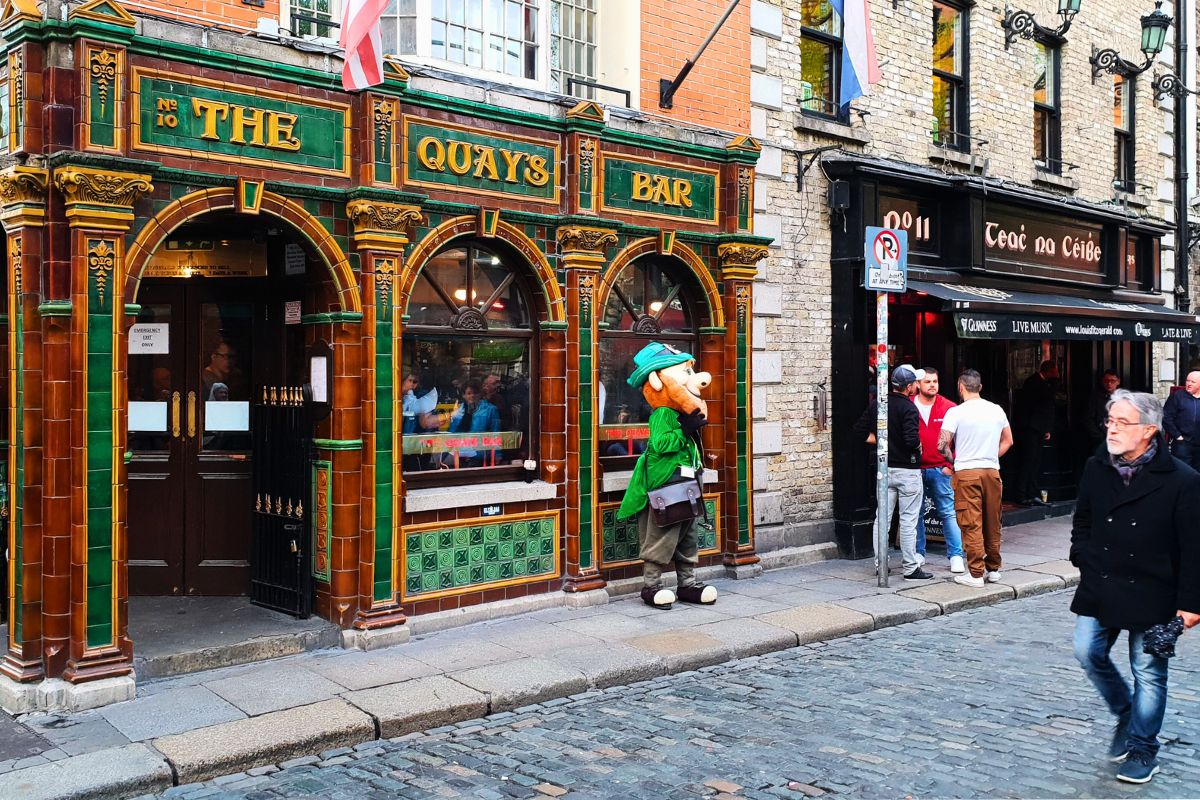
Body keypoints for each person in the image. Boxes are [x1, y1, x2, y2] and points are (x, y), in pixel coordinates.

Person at [1070, 390, 1200, 784]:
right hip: (1102, 581)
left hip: (1153, 588)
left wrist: (1191, 602)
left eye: (1122, 423)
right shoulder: (1098, 465)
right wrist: (1083, 555)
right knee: (1086, 650)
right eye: (1110, 421)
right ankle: (1127, 713)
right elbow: (1083, 519)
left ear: (1149, 430)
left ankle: (1143, 748)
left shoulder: (1183, 479)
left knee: (1148, 671)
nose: (1112, 429)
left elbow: (1194, 547)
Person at [617, 342, 718, 609]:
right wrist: (684, 429)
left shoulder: (679, 411)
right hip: (667, 486)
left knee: (688, 536)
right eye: (682, 373)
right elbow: (660, 445)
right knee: (662, 535)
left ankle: (688, 584)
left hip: (686, 485)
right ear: (659, 381)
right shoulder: (662, 413)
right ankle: (651, 586)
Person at [853, 364, 932, 581]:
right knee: (908, 520)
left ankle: (881, 565)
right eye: (915, 382)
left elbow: (859, 431)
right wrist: (918, 447)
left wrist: (882, 443)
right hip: (907, 471)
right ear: (908, 387)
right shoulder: (909, 408)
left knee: (882, 519)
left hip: (884, 469)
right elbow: (911, 440)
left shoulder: (878, 404)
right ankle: (910, 567)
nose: (917, 385)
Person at [938, 369, 1013, 588]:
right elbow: (1008, 441)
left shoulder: (956, 411)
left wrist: (953, 461)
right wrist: (990, 455)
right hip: (991, 470)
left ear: (960, 387)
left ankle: (975, 573)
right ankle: (993, 569)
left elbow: (942, 445)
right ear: (980, 387)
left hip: (966, 472)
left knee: (971, 522)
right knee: (992, 520)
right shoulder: (996, 410)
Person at [914, 367, 966, 573]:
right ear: (918, 384)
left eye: (935, 381)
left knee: (947, 512)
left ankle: (956, 555)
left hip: (940, 468)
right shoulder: (909, 406)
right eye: (927, 382)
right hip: (915, 469)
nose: (932, 385)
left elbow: (961, 440)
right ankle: (918, 553)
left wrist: (950, 466)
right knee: (915, 514)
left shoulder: (949, 407)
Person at [1012, 359, 1058, 505]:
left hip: (1037, 428)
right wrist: (1045, 428)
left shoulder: (1038, 382)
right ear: (1049, 371)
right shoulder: (1035, 383)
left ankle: (1031, 492)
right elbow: (1042, 406)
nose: (1057, 373)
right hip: (1031, 429)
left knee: (1034, 462)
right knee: (1028, 461)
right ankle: (1022, 494)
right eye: (1055, 371)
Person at [444, 379, 500, 468]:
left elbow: (496, 432)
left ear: (480, 394)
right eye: (469, 393)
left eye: (475, 393)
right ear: (464, 395)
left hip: (480, 455)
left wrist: (497, 454)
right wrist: (444, 456)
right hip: (461, 455)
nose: (472, 396)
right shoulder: (459, 411)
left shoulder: (490, 409)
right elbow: (452, 434)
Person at [1162, 370, 1200, 471]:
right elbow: (1166, 417)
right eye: (1188, 381)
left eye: (1193, 382)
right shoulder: (1177, 396)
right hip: (1182, 443)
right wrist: (1178, 436)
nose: (1189, 384)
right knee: (1183, 472)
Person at [1085, 370, 1122, 451]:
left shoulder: (1123, 398)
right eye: (1106, 381)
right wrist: (1098, 436)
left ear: (1118, 382)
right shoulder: (1095, 398)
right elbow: (1089, 418)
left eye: (1112, 381)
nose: (1109, 384)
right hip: (1101, 440)